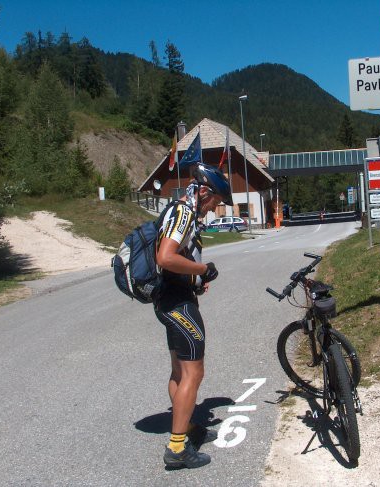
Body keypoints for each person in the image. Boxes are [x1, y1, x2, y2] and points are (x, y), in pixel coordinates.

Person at [154, 164, 233, 469]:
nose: (215, 208)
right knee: (193, 373)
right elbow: (166, 257)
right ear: (203, 192)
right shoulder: (184, 213)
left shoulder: (180, 210)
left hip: (170, 299)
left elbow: (175, 258)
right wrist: (203, 269)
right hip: (178, 304)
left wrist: (196, 280)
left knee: (179, 372)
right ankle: (177, 450)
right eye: (215, 202)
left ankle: (185, 429)